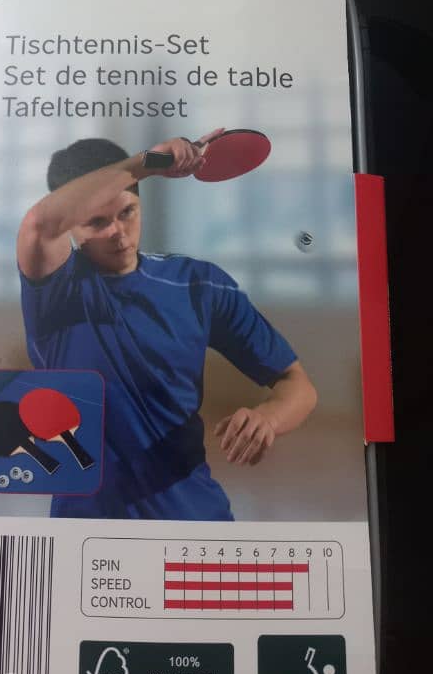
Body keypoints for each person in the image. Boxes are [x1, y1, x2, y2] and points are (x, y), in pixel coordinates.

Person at [17, 131, 317, 520]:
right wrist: (152, 161)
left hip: (195, 520)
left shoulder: (199, 285)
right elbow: (40, 223)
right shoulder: (55, 291)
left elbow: (298, 386)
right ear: (72, 226)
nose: (118, 232)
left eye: (127, 212)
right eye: (97, 222)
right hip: (85, 532)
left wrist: (268, 419)